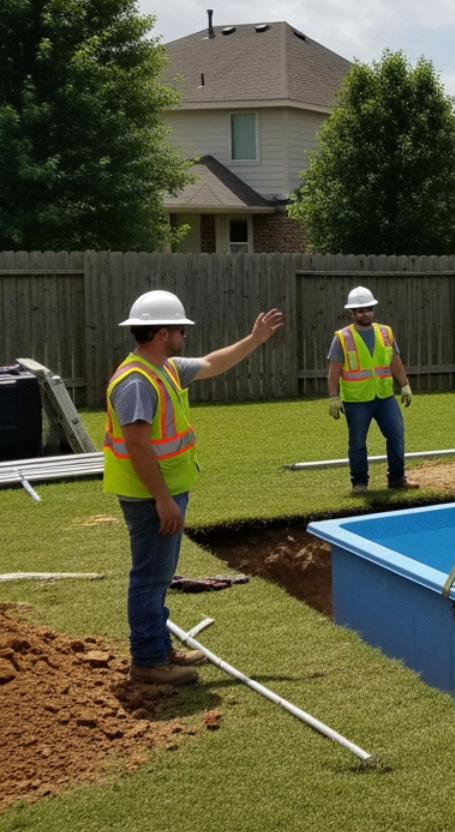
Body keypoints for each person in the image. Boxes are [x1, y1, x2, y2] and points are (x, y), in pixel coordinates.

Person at [105, 291, 284, 685]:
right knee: (150, 577)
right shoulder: (137, 381)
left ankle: (158, 648)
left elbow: (210, 363)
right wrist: (163, 500)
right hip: (150, 497)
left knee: (160, 573)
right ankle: (148, 661)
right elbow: (136, 444)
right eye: (180, 330)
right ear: (163, 332)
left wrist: (253, 340)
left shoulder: (164, 368)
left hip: (165, 493)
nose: (184, 336)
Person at [327, 286, 416, 493]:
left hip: (385, 397)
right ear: (352, 313)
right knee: (357, 442)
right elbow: (334, 371)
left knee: (396, 434)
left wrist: (405, 385)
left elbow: (395, 361)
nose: (365, 313)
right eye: (360, 310)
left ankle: (397, 478)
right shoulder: (342, 337)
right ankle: (359, 483)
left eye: (368, 309)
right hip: (356, 400)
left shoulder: (385, 332)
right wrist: (334, 397)